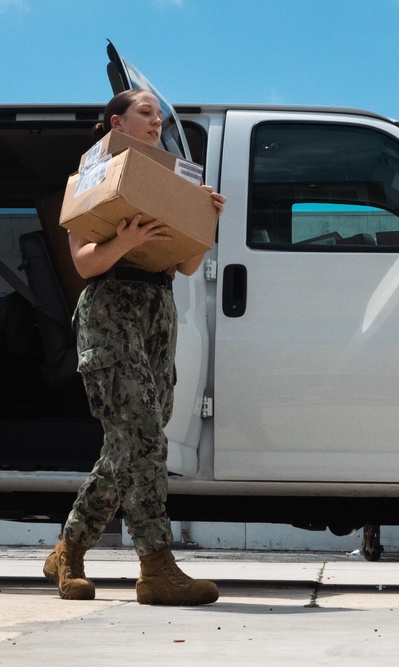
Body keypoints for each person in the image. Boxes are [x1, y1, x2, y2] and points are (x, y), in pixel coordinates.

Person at [42, 89, 226, 605]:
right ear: (115, 123)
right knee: (143, 438)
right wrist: (126, 239)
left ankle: (68, 552)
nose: (156, 122)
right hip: (109, 309)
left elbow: (186, 266)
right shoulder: (91, 180)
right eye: (146, 113)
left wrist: (205, 219)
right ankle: (156, 567)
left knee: (128, 445)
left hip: (156, 311)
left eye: (159, 117)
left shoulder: (168, 182)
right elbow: (82, 263)